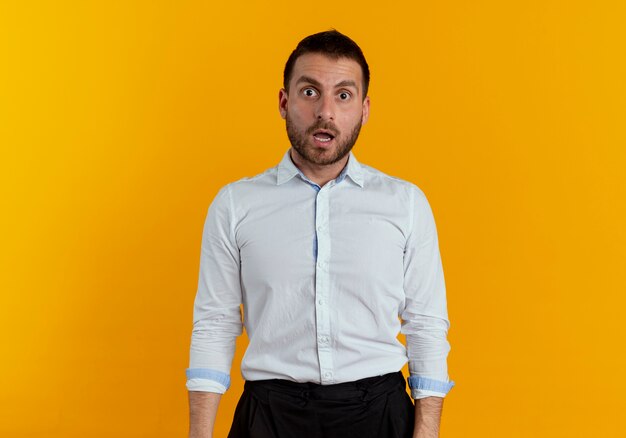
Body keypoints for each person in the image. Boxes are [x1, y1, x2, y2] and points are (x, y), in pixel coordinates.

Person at [186, 30, 454, 438]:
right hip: (270, 417)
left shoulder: (406, 204)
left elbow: (427, 324)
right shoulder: (235, 204)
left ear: (364, 110)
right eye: (310, 92)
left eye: (343, 95)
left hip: (379, 414)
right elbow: (215, 322)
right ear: (284, 102)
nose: (326, 111)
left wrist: (428, 432)